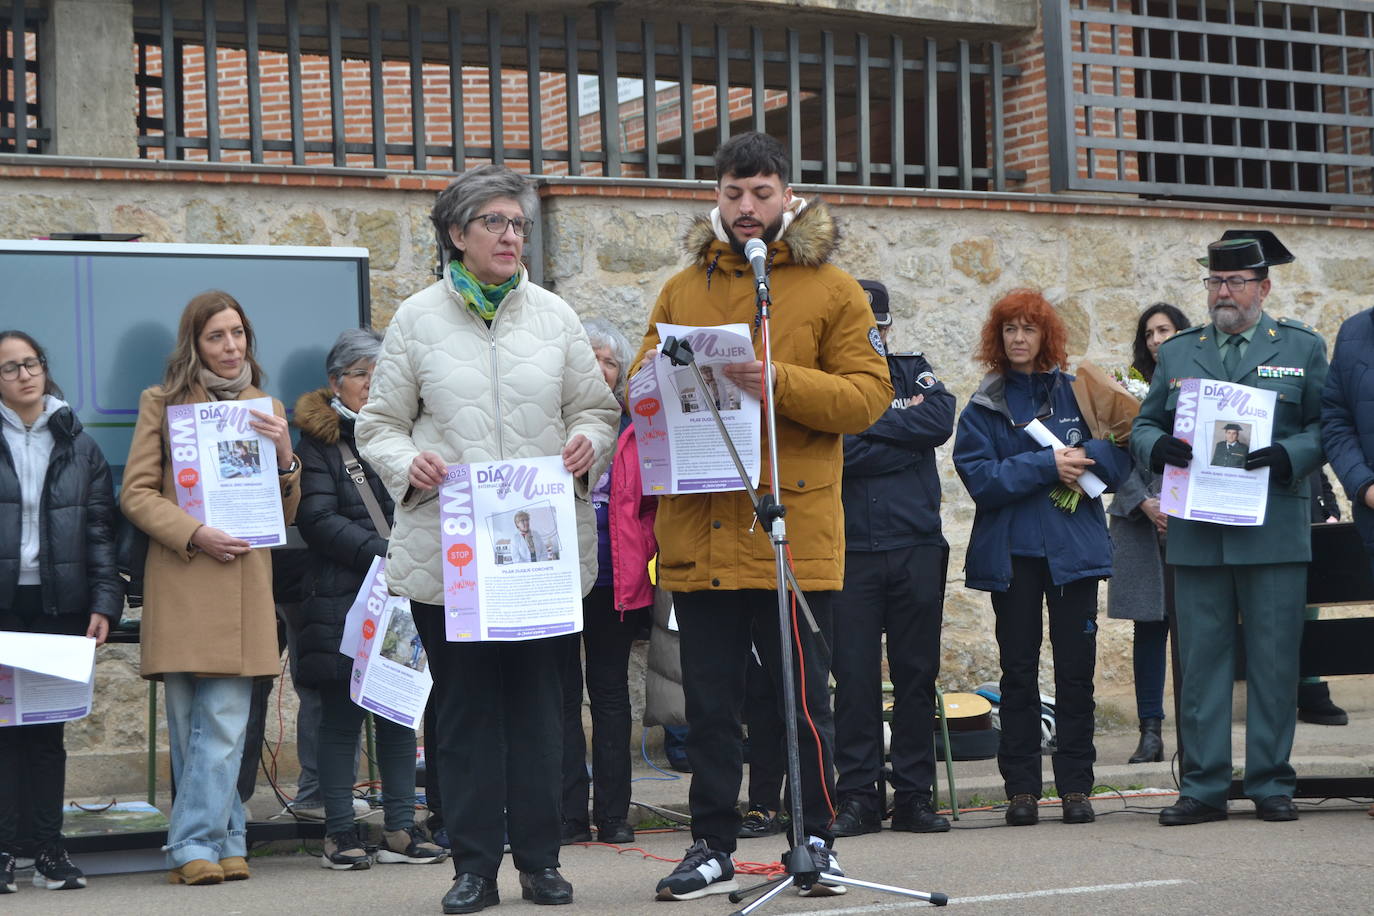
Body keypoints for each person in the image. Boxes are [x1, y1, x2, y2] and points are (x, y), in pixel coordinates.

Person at [629, 132, 891, 901]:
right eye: (734, 194)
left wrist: (775, 379)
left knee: (803, 704)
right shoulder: (682, 288)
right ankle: (710, 844)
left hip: (791, 536)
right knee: (707, 705)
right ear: (716, 196)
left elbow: (868, 397)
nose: (747, 208)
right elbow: (640, 388)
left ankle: (814, 840)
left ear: (788, 197)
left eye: (762, 193)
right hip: (702, 529)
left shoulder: (832, 288)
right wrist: (654, 388)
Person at [356, 164, 618, 915]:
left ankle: (541, 863)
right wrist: (413, 465)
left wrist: (583, 444)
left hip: (537, 554)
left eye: (518, 224)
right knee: (466, 719)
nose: (511, 236)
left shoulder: (556, 318)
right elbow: (377, 425)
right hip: (452, 556)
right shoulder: (415, 319)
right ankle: (472, 868)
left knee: (541, 714)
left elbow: (596, 411)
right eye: (496, 223)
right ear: (456, 234)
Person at [1132, 230, 1327, 826]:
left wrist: (1289, 454)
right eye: (1215, 281)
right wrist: (1157, 445)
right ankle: (1204, 786)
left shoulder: (1301, 346)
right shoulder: (1179, 351)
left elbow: (1326, 427)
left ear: (1263, 288)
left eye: (1235, 282)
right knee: (1201, 663)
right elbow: (1142, 427)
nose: (1223, 292)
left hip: (1271, 527)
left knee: (1272, 662)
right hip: (1199, 531)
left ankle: (1270, 782)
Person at [121, 290, 301, 884]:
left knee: (223, 724)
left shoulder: (265, 405)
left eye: (238, 334)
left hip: (244, 585)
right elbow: (137, 493)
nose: (231, 347)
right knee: (193, 725)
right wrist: (195, 531)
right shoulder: (163, 403)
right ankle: (226, 838)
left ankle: (193, 844)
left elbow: (288, 512)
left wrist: (284, 456)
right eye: (216, 336)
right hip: (184, 577)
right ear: (194, 344)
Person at [952, 289, 1129, 827]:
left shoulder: (1080, 393)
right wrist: (1047, 465)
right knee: (1018, 676)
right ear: (998, 338)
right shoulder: (984, 404)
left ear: (1045, 335)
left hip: (1072, 553)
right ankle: (1021, 791)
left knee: (1077, 677)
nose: (1019, 338)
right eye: (1010, 330)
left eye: (1029, 328)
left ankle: (1077, 787)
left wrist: (1088, 455)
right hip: (1014, 557)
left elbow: (1120, 459)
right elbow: (981, 479)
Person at [293, 327, 446, 871]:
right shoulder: (318, 441)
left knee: (400, 713)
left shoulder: (406, 433)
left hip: (403, 595)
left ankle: (401, 828)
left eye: (381, 373)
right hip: (344, 595)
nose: (372, 383)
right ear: (336, 383)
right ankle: (340, 832)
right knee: (342, 715)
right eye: (361, 374)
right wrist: (385, 551)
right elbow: (315, 518)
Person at [829, 280, 956, 837]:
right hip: (851, 552)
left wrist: (867, 427)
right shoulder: (829, 383)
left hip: (915, 547)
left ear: (887, 325)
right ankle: (858, 796)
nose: (872, 334)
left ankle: (913, 798)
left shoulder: (911, 369)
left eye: (877, 325)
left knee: (916, 677)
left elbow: (940, 421)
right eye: (862, 325)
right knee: (854, 680)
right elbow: (836, 451)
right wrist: (900, 438)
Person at [0, 331, 122, 894]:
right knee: (2, 733)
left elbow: (101, 532)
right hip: (3, 604)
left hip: (57, 605)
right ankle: (4, 851)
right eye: (10, 368)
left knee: (47, 733)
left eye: (32, 364)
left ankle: (49, 850)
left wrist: (103, 602)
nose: (24, 375)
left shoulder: (79, 444)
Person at [559, 317, 657, 847]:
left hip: (615, 581)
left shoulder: (636, 427)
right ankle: (570, 814)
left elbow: (652, 506)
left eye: (610, 361)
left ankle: (615, 814)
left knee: (613, 698)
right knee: (561, 697)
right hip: (558, 580)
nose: (600, 368)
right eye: (591, 358)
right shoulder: (551, 422)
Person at [1106, 303, 1191, 765]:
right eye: (1150, 332)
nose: (1157, 339)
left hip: (1191, 520)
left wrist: (1179, 506)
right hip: (1140, 520)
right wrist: (1143, 501)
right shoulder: (1124, 385)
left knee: (1196, 627)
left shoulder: (1198, 383)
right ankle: (1150, 731)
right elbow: (1112, 452)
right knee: (1149, 627)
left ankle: (1195, 730)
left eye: (1165, 330)